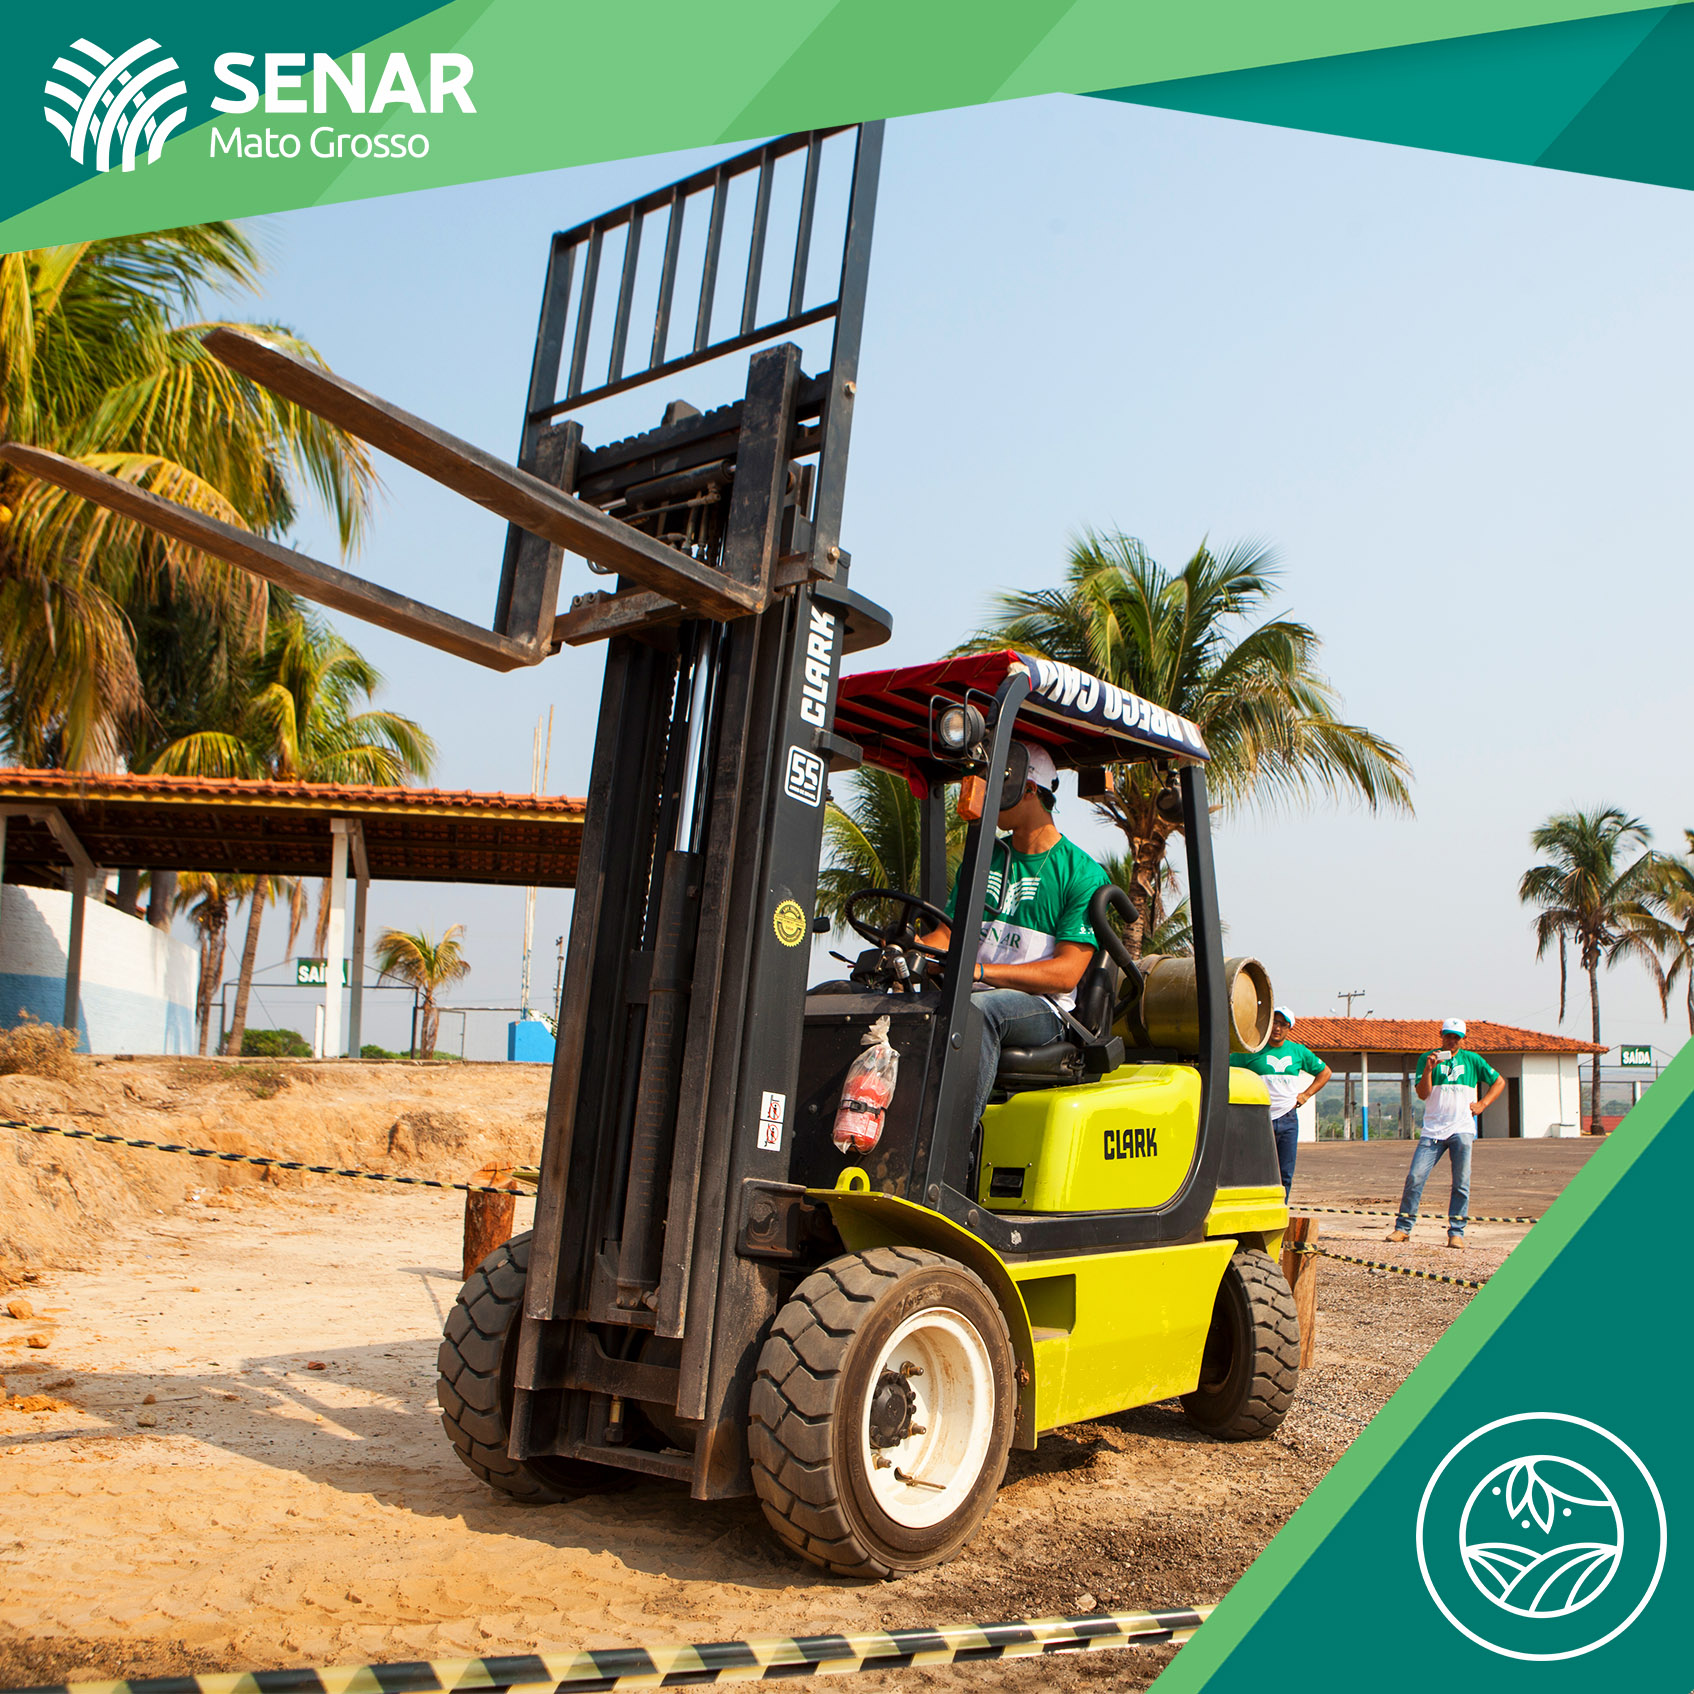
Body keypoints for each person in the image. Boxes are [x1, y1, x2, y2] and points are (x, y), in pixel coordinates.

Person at [918, 740, 1109, 1128]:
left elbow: (1065, 974)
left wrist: (981, 973)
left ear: (1030, 789)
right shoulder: (984, 858)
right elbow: (947, 935)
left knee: (977, 1012)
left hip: (1042, 1009)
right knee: (896, 1007)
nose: (988, 796)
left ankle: (954, 1146)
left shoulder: (1080, 872)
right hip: (972, 991)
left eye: (998, 786)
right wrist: (910, 950)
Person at [1389, 1018, 1504, 1248]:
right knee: (1415, 1177)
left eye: (1456, 1037)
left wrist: (1483, 1104)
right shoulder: (1427, 1058)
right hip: (1433, 1130)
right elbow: (1422, 1094)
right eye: (1448, 1036)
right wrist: (1428, 1070)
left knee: (1461, 1182)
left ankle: (1456, 1232)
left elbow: (1498, 1081)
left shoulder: (1473, 1060)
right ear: (1441, 1036)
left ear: (1463, 1039)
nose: (1451, 1040)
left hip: (1462, 1129)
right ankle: (1403, 1228)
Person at [1229, 1007, 1329, 1200]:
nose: (1277, 1028)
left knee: (1285, 1173)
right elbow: (1225, 1067)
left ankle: (1281, 1208)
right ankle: (1258, 1207)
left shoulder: (1298, 1051)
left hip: (1288, 1119)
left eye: (1283, 1024)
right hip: (1259, 1119)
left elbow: (1325, 1073)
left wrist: (1306, 1095)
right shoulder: (1252, 1050)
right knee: (1256, 1170)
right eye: (1274, 1022)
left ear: (1289, 1028)